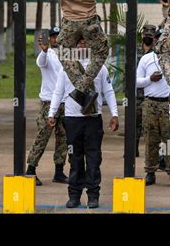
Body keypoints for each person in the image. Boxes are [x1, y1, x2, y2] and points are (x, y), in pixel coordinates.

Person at [48, 38, 119, 209]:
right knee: (75, 158)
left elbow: (108, 91)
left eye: (85, 41)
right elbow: (58, 91)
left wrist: (114, 113)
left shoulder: (99, 68)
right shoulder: (68, 69)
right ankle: (74, 195)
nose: (82, 45)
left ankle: (93, 195)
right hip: (72, 120)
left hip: (93, 120)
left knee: (94, 159)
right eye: (78, 42)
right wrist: (52, 112)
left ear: (90, 45)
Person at [44, 0, 112, 115]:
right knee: (102, 51)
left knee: (63, 52)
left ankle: (81, 90)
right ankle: (82, 89)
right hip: (89, 22)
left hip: (69, 23)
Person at [137, 28, 170, 187]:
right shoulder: (146, 59)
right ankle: (150, 172)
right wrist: (150, 79)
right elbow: (136, 81)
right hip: (150, 103)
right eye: (158, 38)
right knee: (150, 138)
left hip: (168, 103)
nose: (160, 41)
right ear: (155, 40)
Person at [25, 27, 69, 186]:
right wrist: (43, 51)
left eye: (59, 36)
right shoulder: (47, 54)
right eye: (53, 37)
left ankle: (59, 171)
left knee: (63, 138)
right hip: (49, 102)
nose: (56, 39)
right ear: (49, 39)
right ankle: (30, 170)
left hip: (65, 102)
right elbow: (40, 62)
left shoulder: (67, 54)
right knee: (42, 136)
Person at [135, 24, 157, 157]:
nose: (147, 37)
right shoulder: (135, 50)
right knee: (135, 122)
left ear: (154, 37)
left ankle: (155, 154)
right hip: (137, 93)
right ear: (142, 35)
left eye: (150, 35)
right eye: (146, 35)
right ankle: (134, 148)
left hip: (151, 92)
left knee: (153, 125)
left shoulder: (157, 52)